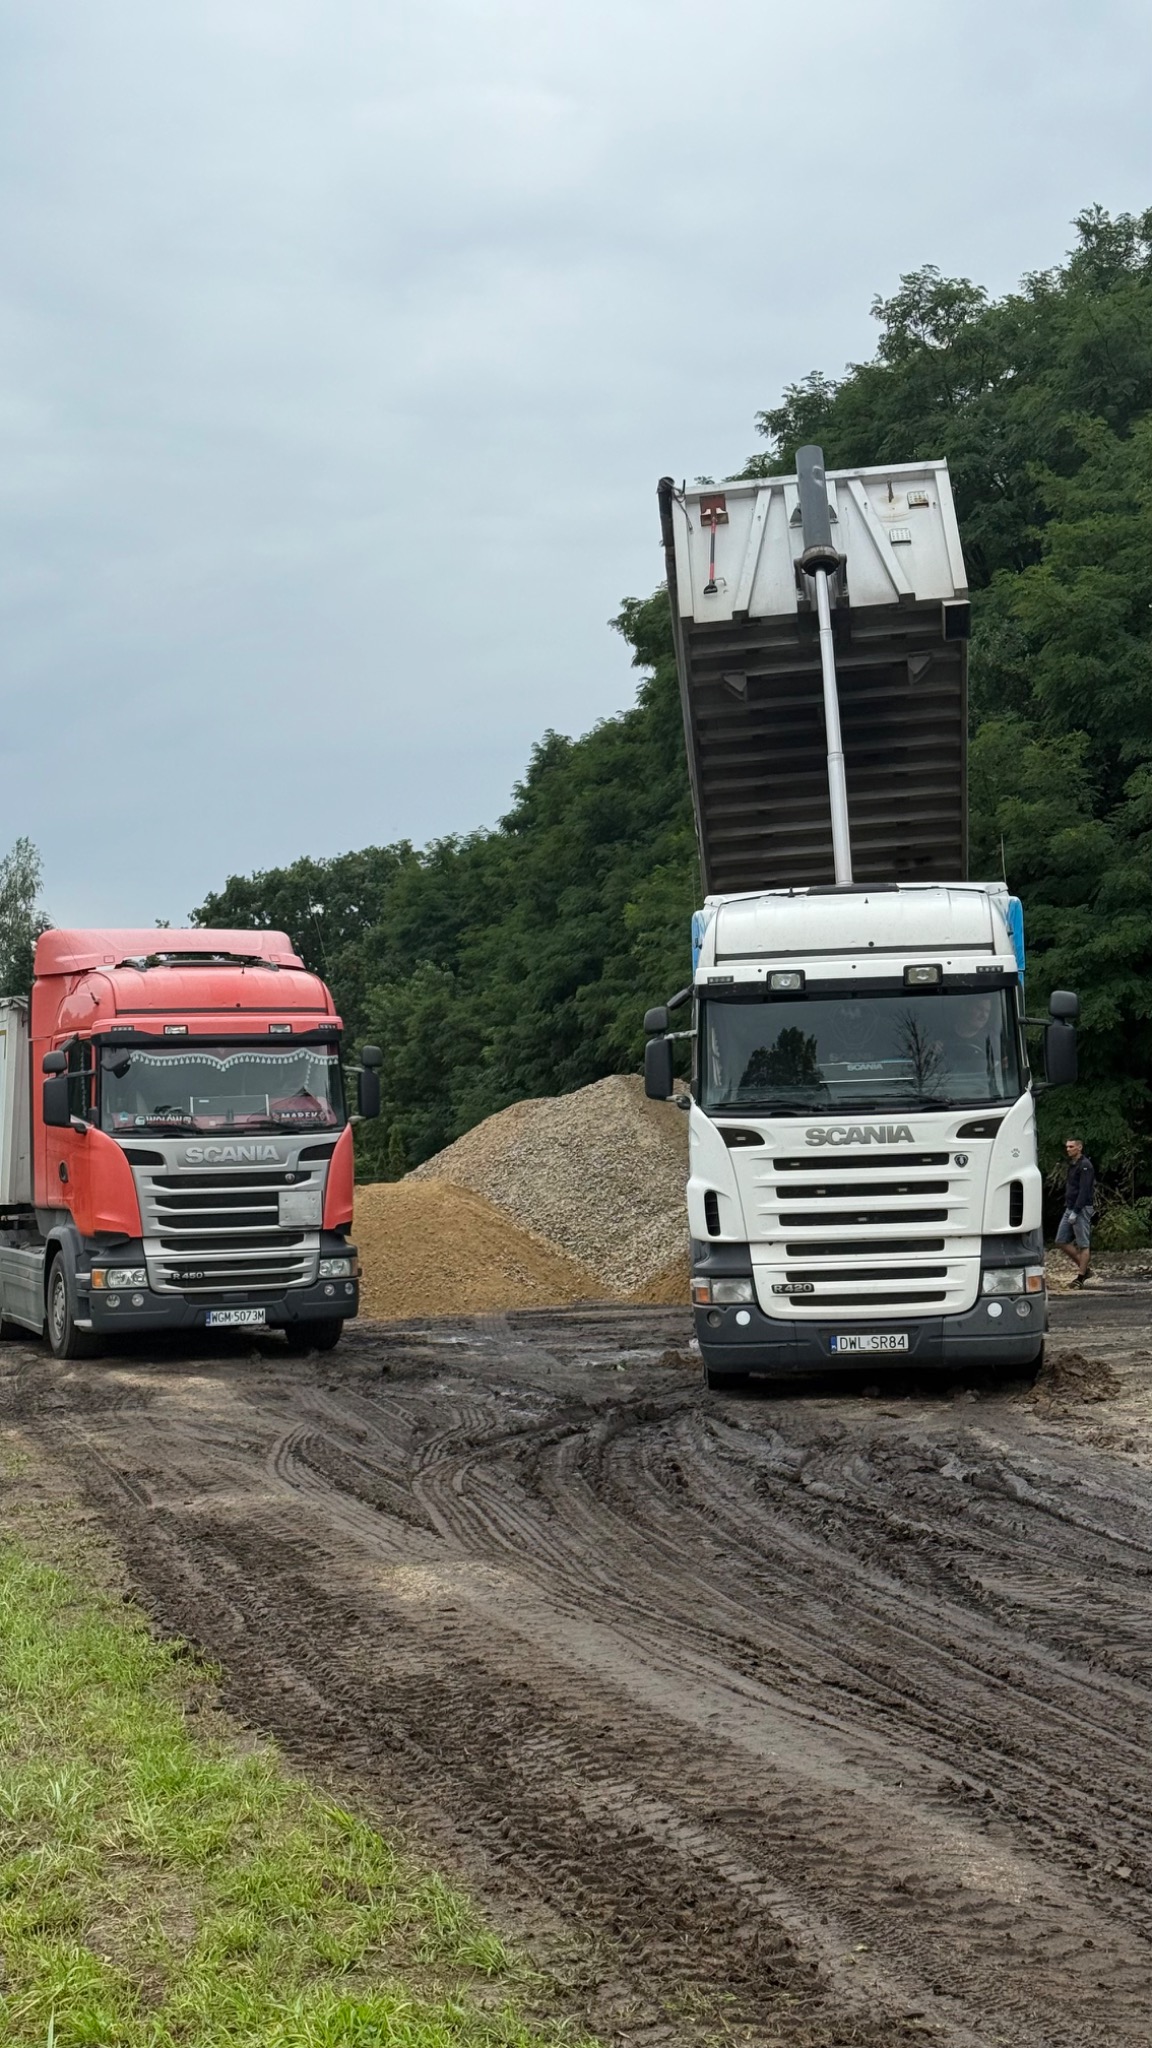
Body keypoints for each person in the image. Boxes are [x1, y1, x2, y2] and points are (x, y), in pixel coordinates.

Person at [1054, 1137, 1095, 1287]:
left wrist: (1076, 1211)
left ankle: (1081, 1277)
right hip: (1070, 1206)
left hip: (1081, 1208)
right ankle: (1085, 1268)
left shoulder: (1085, 1166)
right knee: (1061, 1240)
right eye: (1067, 1147)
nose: (1068, 1149)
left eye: (1071, 1147)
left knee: (1083, 1244)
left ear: (1079, 1147)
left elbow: (1084, 1190)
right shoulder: (1072, 1165)